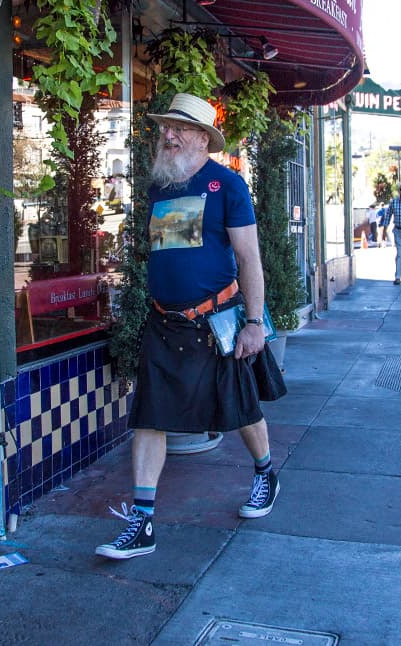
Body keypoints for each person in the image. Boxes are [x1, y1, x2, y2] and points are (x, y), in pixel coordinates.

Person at [94, 93, 286, 560]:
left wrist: (254, 322)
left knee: (240, 408)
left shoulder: (228, 185)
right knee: (149, 416)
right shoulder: (159, 188)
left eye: (178, 129)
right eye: (165, 128)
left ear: (203, 138)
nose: (168, 135)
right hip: (164, 322)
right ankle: (142, 522)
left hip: (215, 321)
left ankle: (265, 474)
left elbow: (249, 259)